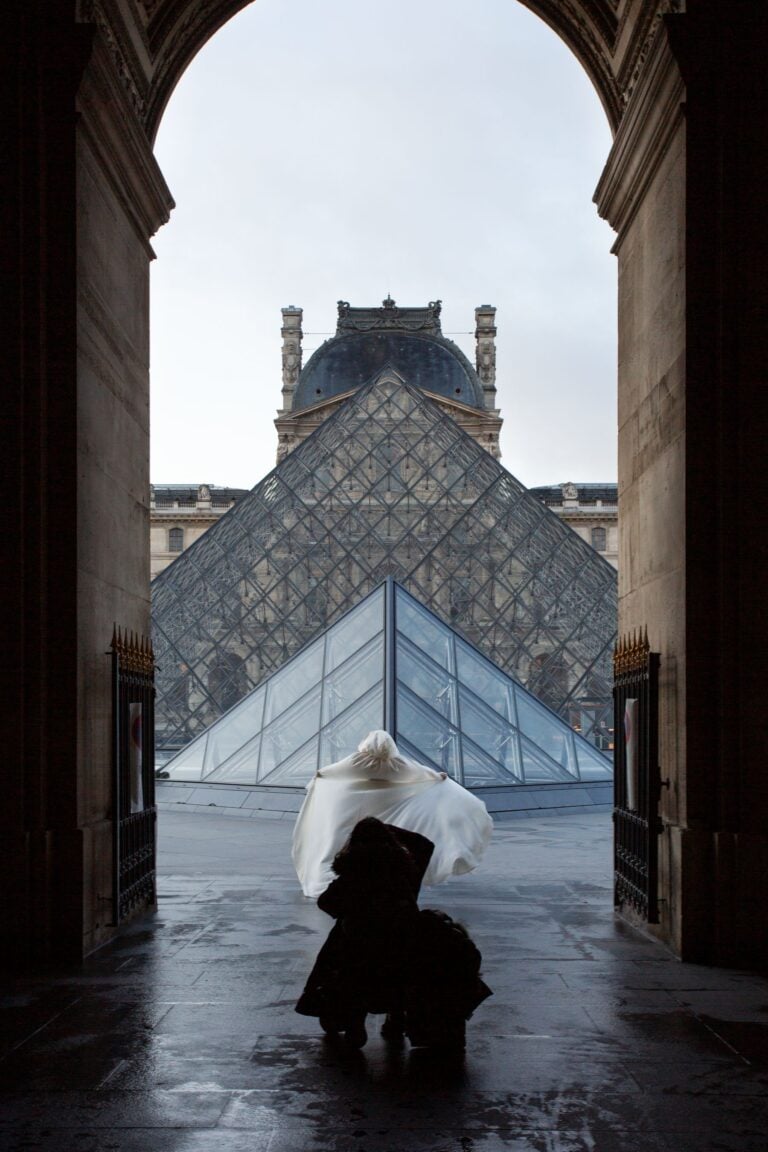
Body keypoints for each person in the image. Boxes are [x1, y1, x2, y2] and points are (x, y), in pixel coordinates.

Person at [295, 817, 491, 1050]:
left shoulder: (353, 873)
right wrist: (386, 831)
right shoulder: (405, 871)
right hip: (402, 942)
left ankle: (353, 1022)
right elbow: (423, 843)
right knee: (399, 974)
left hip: (359, 944)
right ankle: (396, 1019)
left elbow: (327, 903)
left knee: (342, 964)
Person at [292, 730, 493, 898]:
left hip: (351, 802)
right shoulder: (396, 764)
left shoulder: (357, 761)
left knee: (337, 838)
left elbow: (334, 771)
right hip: (387, 802)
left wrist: (321, 776)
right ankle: (377, 871)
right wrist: (437, 777)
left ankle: (337, 873)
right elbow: (419, 772)